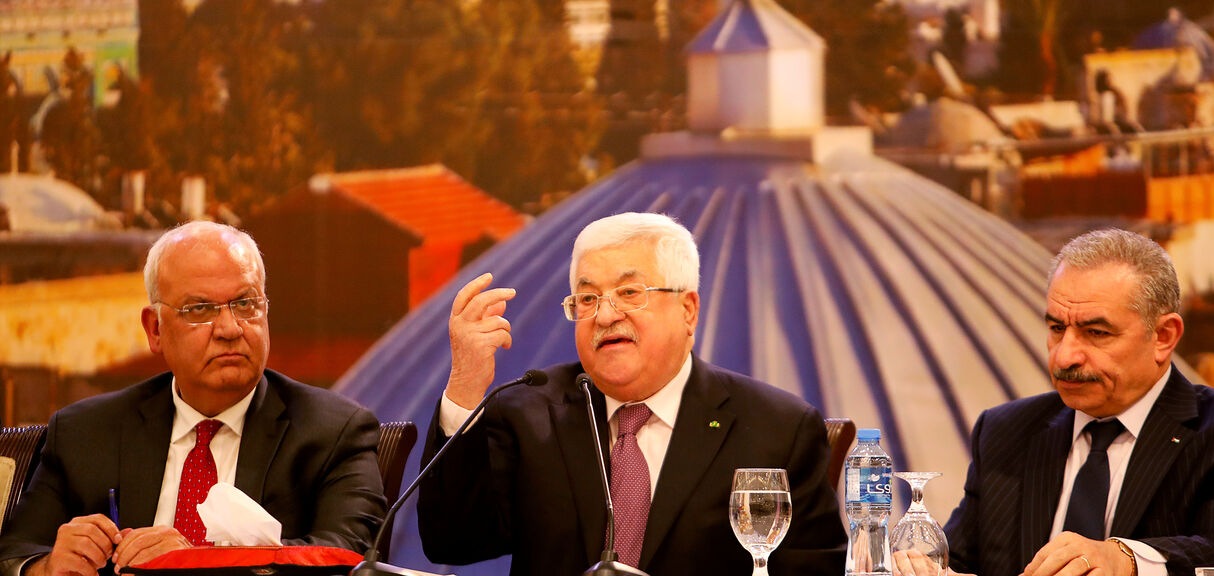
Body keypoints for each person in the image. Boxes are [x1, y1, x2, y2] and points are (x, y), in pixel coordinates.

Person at [417, 212, 846, 575]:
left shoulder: (775, 430)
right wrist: (467, 384)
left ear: (688, 310)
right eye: (586, 299)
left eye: (629, 293)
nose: (605, 314)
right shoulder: (528, 412)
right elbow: (454, 542)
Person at [0, 221, 386, 576]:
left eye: (246, 304)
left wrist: (198, 559)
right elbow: (14, 554)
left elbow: (349, 558)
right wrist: (46, 566)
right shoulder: (84, 433)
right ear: (155, 329)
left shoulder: (333, 432)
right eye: (200, 309)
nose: (230, 329)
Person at [943, 228, 1214, 576]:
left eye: (1096, 333)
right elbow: (958, 561)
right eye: (1057, 329)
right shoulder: (1006, 431)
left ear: (1163, 337)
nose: (1065, 357)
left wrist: (1125, 559)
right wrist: (922, 564)